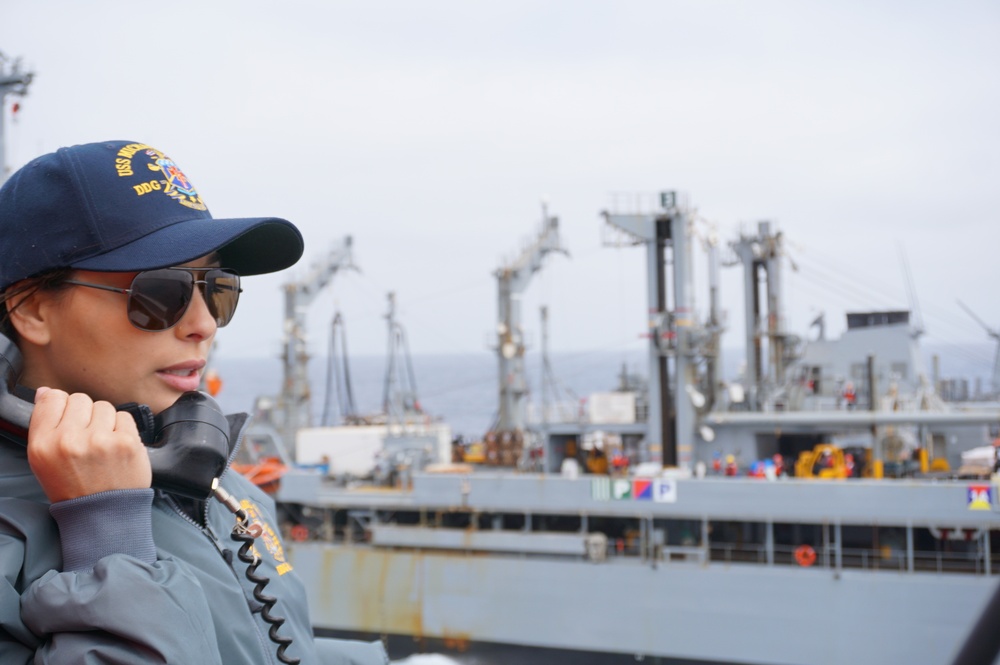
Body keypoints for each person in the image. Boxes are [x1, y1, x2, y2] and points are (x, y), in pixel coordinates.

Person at [0, 140, 389, 665]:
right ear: (31, 310)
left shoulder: (215, 478)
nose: (203, 324)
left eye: (218, 287)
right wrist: (108, 534)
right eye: (161, 293)